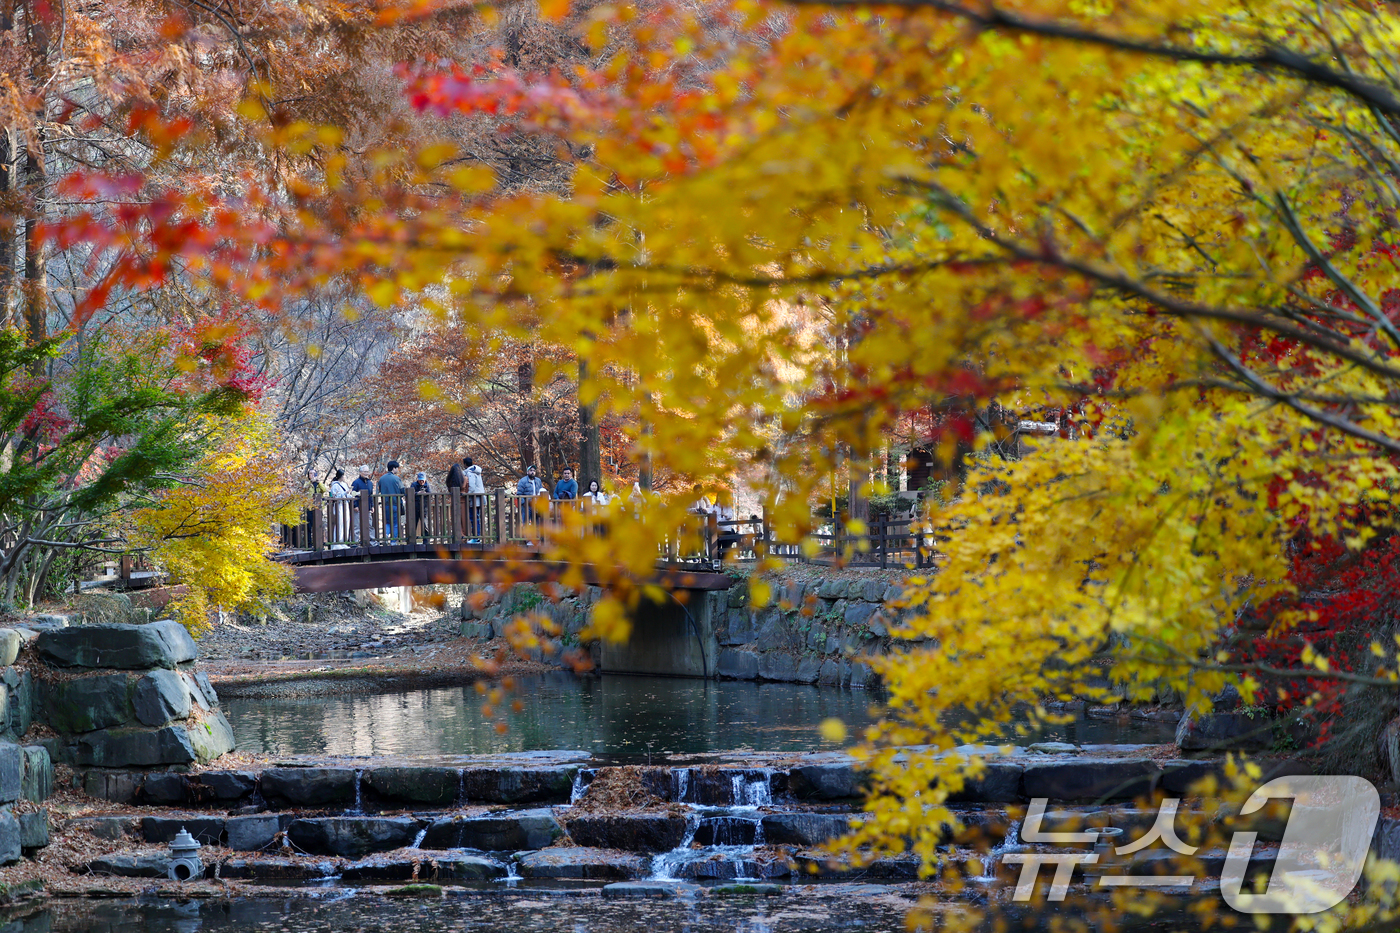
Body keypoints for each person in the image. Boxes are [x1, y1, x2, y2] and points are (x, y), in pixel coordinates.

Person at [378, 460, 406, 540]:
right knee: (395, 523)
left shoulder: (381, 479)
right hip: (395, 503)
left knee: (387, 522)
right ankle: (393, 541)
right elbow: (402, 490)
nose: (397, 470)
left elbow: (379, 489)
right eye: (397, 468)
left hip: (385, 504)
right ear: (394, 468)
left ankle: (386, 536)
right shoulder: (397, 479)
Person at [516, 465, 544, 540]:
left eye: (534, 471)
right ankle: (527, 539)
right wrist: (523, 503)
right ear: (527, 472)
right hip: (527, 505)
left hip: (536, 504)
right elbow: (519, 494)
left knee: (536, 522)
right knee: (526, 522)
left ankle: (536, 539)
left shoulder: (538, 480)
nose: (532, 472)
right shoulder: (523, 481)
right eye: (531, 470)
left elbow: (541, 491)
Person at [351, 465, 375, 543]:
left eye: (367, 471)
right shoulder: (356, 482)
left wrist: (372, 506)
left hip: (367, 507)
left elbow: (370, 495)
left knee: (370, 525)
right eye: (364, 471)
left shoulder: (370, 483)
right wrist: (355, 505)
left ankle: (371, 540)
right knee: (356, 526)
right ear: (360, 472)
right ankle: (355, 542)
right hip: (358, 507)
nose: (366, 473)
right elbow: (352, 494)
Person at [465, 456, 486, 542]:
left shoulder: (470, 473)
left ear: (465, 464)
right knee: (476, 517)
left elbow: (472, 487)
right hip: (479, 498)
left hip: (474, 499)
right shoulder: (476, 471)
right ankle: (477, 537)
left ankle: (476, 538)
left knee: (473, 517)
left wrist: (467, 494)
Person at [328, 469, 352, 544]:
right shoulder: (335, 485)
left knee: (346, 522)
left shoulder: (345, 484)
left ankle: (344, 541)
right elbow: (336, 496)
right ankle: (337, 541)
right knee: (340, 522)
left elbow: (347, 494)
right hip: (339, 505)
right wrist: (345, 493)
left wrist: (351, 494)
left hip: (346, 504)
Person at [411, 471, 432, 539]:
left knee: (425, 524)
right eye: (420, 480)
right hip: (415, 507)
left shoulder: (427, 485)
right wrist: (417, 493)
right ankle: (412, 540)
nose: (421, 482)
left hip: (424, 507)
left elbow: (430, 494)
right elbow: (410, 494)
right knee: (413, 524)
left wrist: (425, 493)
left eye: (422, 480)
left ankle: (426, 540)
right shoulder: (413, 485)